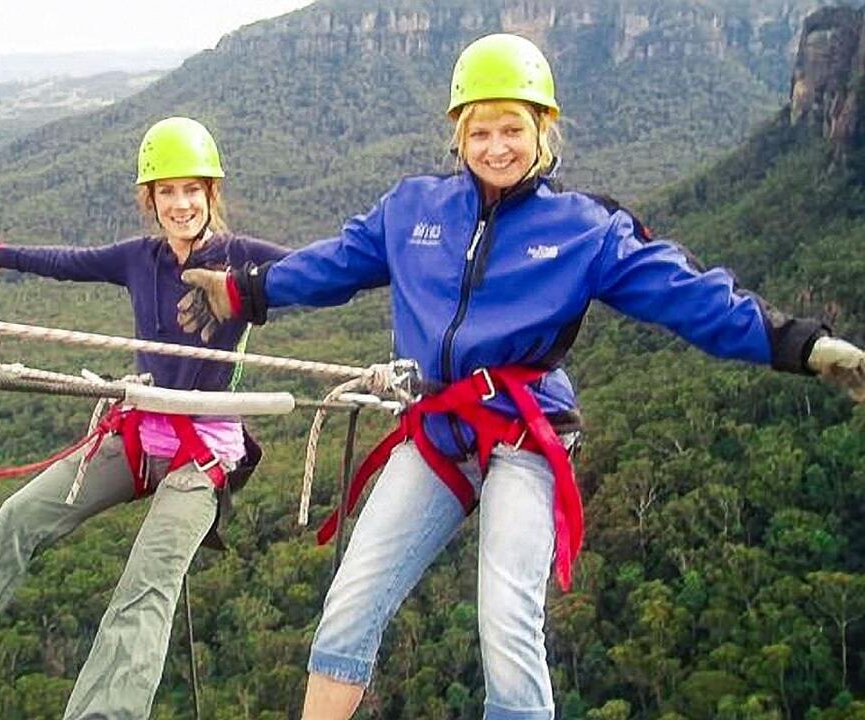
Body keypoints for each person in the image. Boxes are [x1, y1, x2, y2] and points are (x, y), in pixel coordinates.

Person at [175, 34, 865, 720]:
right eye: (481, 130)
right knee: (350, 605)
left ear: (544, 132)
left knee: (505, 623)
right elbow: (334, 263)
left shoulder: (585, 230)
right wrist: (244, 292)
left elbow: (693, 299)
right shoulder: (413, 209)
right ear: (458, 135)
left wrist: (804, 346)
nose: (497, 146)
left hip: (524, 434)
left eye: (514, 128)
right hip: (439, 430)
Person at [0, 116, 289, 719]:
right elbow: (66, 260)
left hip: (204, 455)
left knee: (145, 587)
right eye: (166, 191)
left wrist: (244, 286)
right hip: (142, 430)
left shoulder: (244, 257)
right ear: (151, 199)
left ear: (211, 194)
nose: (181, 203)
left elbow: (323, 272)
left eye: (192, 189)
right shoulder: (139, 259)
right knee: (20, 516)